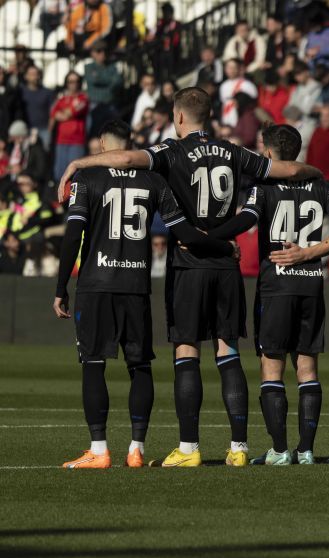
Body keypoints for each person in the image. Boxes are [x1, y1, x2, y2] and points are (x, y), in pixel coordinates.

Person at [56, 87, 323, 468]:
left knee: (187, 352)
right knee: (228, 351)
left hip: (188, 260)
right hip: (226, 264)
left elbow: (128, 158)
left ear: (179, 116)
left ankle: (189, 448)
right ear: (209, 115)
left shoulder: (171, 150)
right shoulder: (233, 151)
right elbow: (291, 170)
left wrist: (79, 163)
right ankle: (239, 448)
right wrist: (315, 172)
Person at [200, 125, 329, 465]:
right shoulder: (318, 184)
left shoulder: (264, 186)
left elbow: (245, 221)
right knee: (307, 368)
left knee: (272, 368)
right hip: (312, 283)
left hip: (276, 285)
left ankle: (280, 450)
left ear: (269, 153)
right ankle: (306, 450)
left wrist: (206, 236)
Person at [52, 120, 237, 469]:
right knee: (139, 365)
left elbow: (73, 234)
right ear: (128, 144)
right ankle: (136, 449)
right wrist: (225, 247)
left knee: (93, 364)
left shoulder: (87, 179)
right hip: (136, 285)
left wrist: (61, 287)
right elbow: (185, 232)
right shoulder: (154, 181)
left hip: (96, 284)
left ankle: (99, 450)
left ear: (103, 144)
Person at [50, 72, 89, 183]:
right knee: (59, 174)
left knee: (74, 175)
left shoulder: (83, 98)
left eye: (76, 81)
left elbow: (68, 113)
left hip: (76, 142)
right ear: (66, 83)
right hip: (61, 141)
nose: (73, 84)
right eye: (70, 81)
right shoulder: (62, 99)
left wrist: (63, 112)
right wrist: (66, 112)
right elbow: (54, 113)